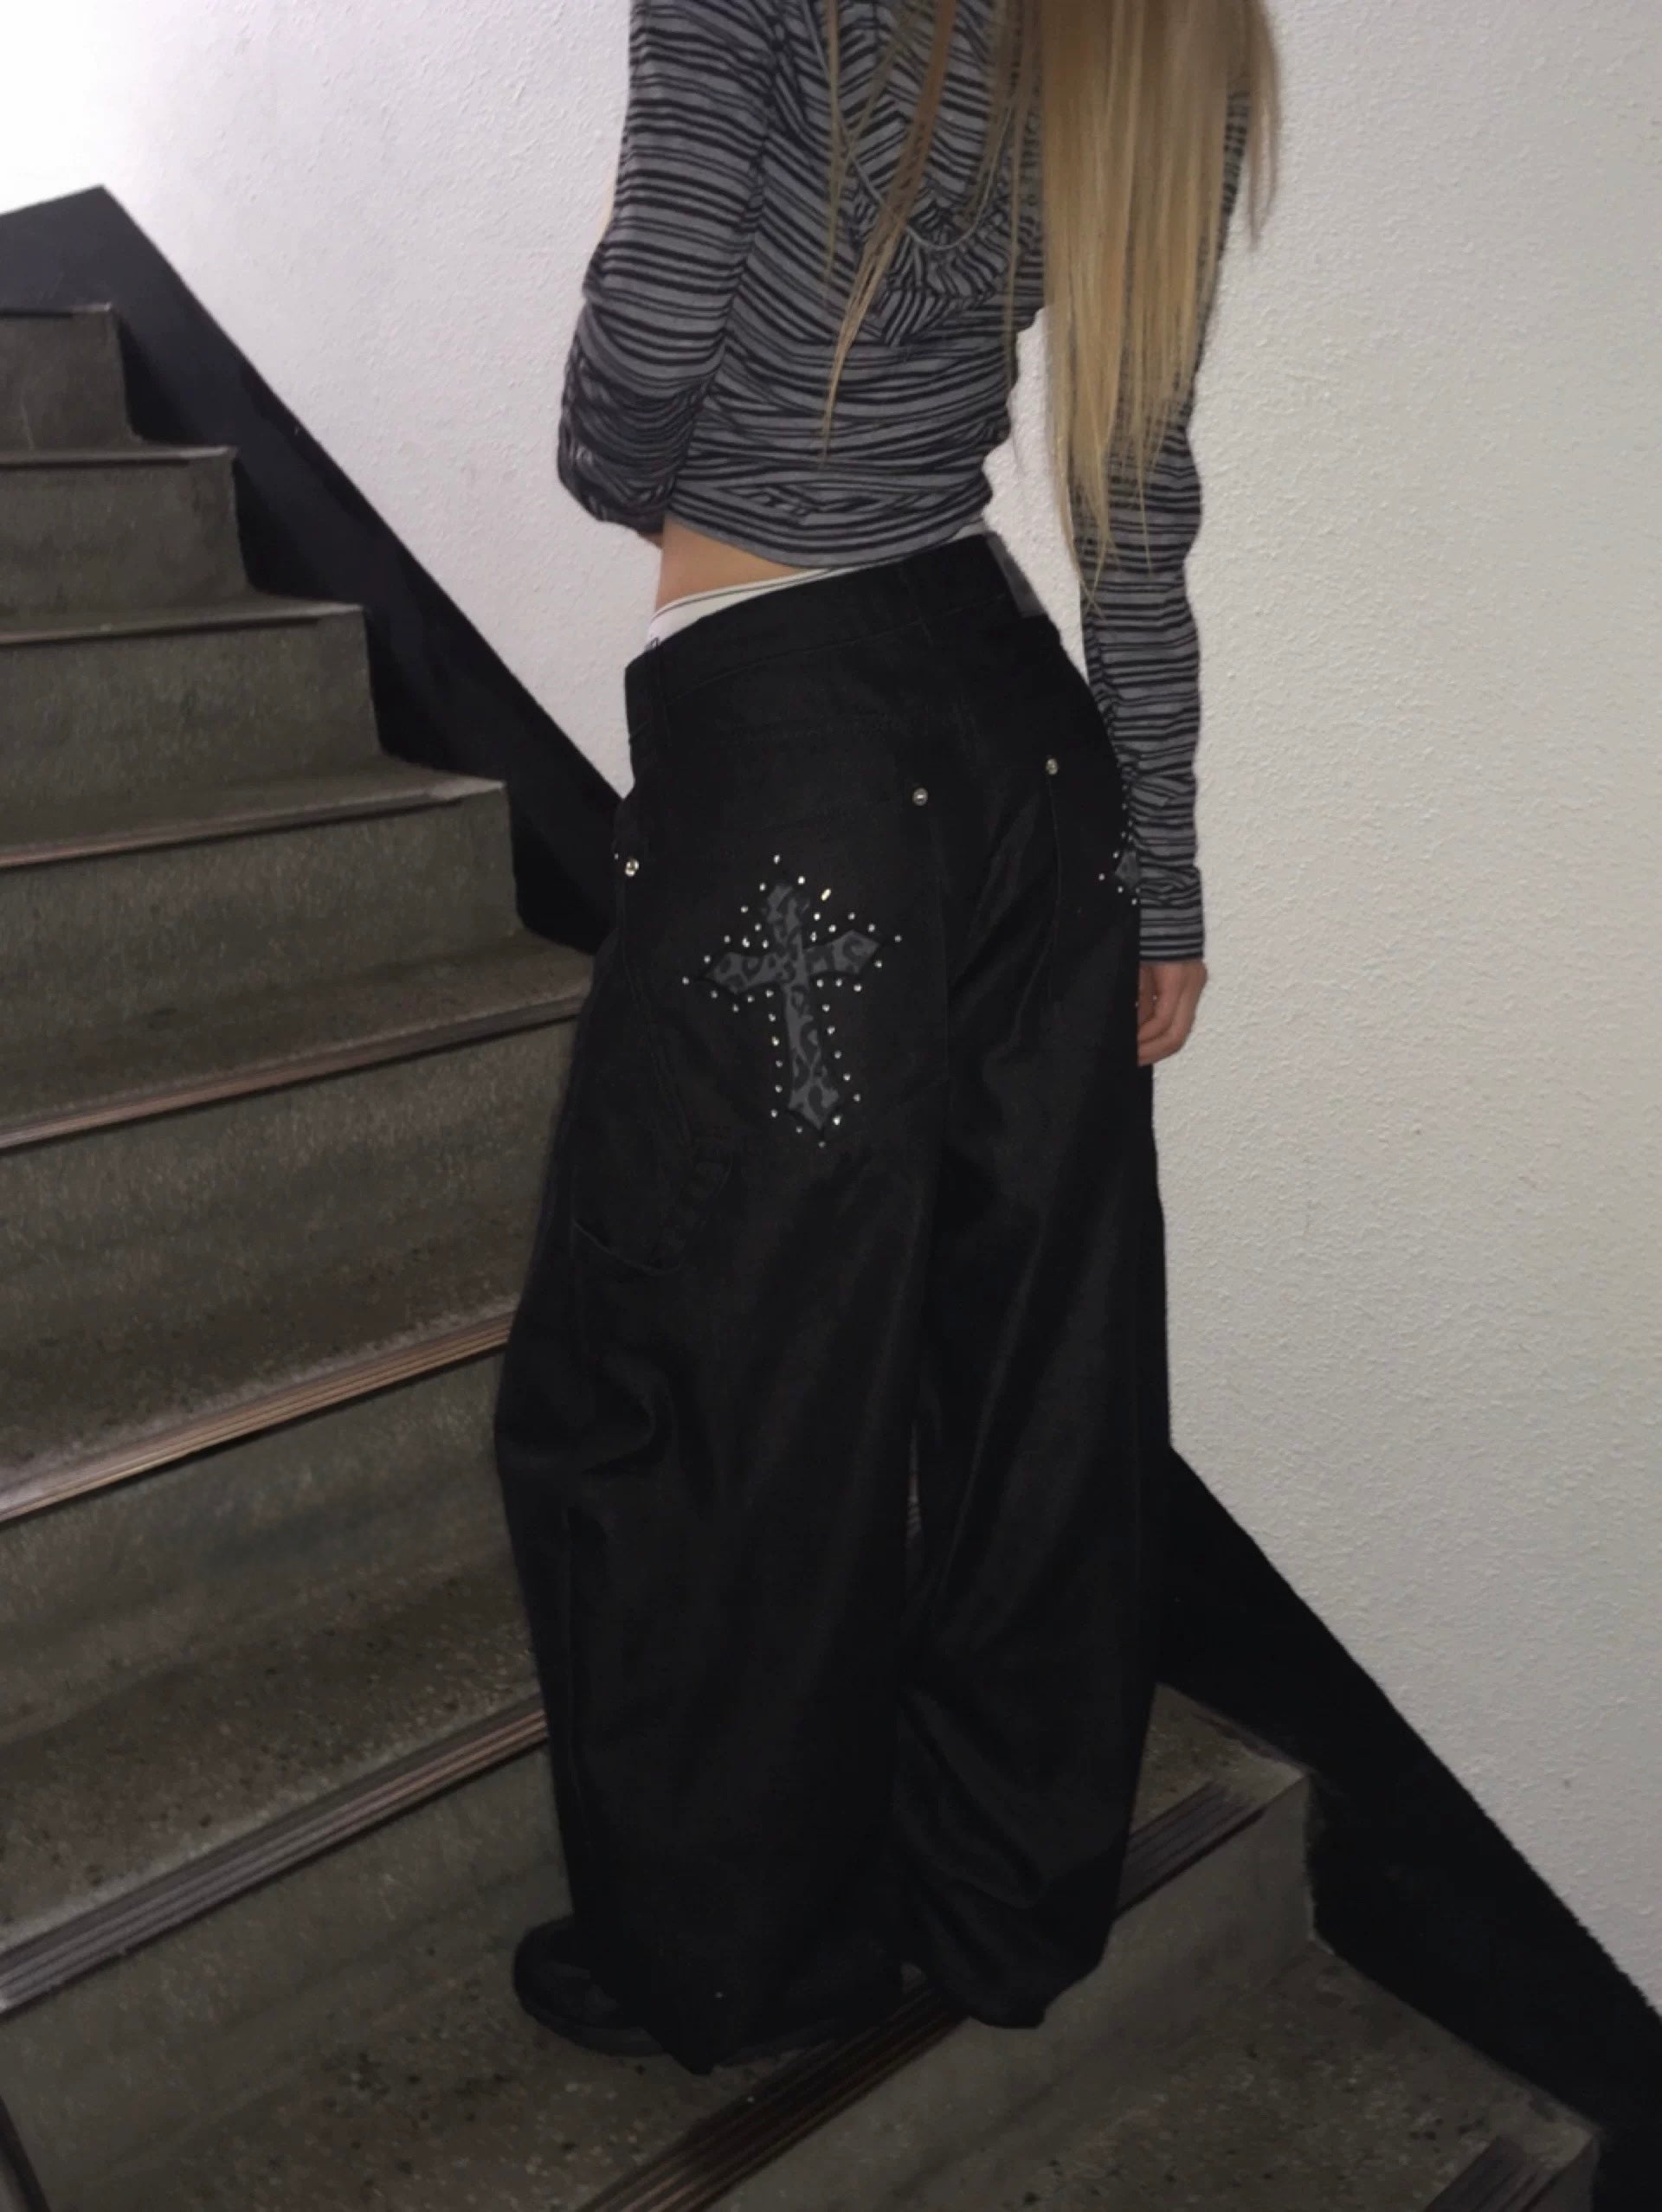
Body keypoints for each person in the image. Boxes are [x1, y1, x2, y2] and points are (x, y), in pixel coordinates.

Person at [493, 0, 1279, 2076]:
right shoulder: (1173, 37)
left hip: (805, 782)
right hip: (1030, 759)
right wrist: (1166, 880)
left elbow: (642, 368)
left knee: (692, 1374)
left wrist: (620, 405)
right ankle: (1003, 1898)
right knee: (1034, 1377)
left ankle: (731, 1954)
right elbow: (1136, 497)